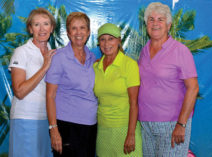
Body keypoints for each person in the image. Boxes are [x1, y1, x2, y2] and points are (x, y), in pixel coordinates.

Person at [138, 2, 199, 157]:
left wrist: (181, 123)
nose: (155, 23)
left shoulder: (180, 51)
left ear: (169, 25)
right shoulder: (144, 52)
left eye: (160, 19)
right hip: (146, 124)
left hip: (172, 124)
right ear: (146, 24)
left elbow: (193, 88)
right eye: (151, 19)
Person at [45, 12, 97, 157]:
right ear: (68, 33)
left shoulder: (93, 58)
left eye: (82, 28)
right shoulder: (59, 58)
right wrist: (53, 128)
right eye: (74, 28)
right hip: (66, 126)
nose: (78, 32)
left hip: (91, 126)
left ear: (88, 32)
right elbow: (50, 96)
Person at [8, 8, 56, 157]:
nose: (42, 29)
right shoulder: (21, 52)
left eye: (46, 24)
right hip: (25, 118)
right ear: (30, 29)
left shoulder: (54, 52)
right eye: (36, 24)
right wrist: (45, 66)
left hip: (48, 121)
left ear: (52, 28)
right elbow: (20, 92)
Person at [93, 23, 143, 157]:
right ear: (98, 43)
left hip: (125, 128)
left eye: (111, 38)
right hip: (103, 130)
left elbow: (134, 103)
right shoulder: (95, 67)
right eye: (102, 39)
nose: (106, 43)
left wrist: (131, 135)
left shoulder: (129, 65)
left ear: (119, 41)